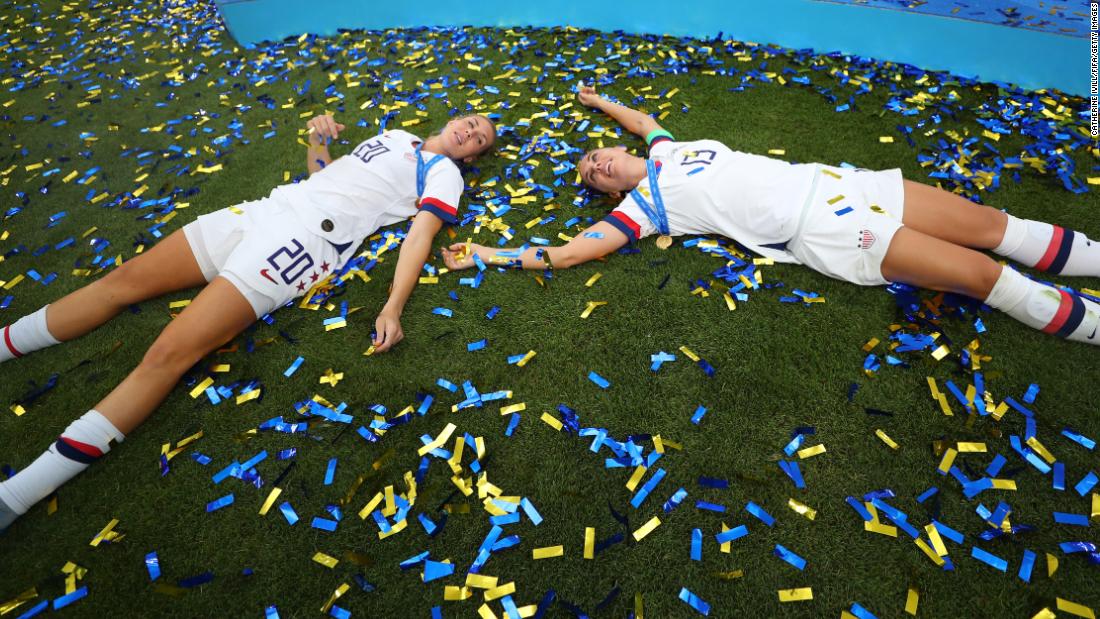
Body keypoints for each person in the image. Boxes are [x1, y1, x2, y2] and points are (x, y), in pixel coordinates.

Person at [0, 112, 497, 530]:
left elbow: (419, 238)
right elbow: (324, 177)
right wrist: (317, 141)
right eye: (471, 123)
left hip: (303, 245)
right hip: (269, 209)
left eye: (479, 140)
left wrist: (392, 305)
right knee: (122, 281)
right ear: (452, 117)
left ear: (470, 158)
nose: (471, 132)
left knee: (168, 354)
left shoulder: (444, 175)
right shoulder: (395, 137)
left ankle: (17, 496)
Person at [442, 85, 1099, 346]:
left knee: (992, 224)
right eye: (591, 176)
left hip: (844, 182)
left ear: (618, 149)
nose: (596, 165)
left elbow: (644, 121)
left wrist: (595, 100)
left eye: (596, 156)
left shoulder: (671, 147)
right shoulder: (646, 209)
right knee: (980, 273)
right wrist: (488, 255)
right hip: (831, 232)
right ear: (610, 197)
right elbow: (567, 253)